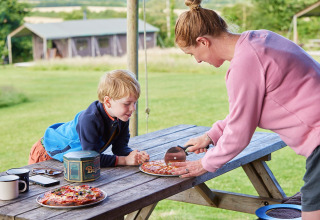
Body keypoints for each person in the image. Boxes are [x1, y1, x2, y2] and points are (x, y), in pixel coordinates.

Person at [170, 0, 320, 219]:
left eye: (192, 54)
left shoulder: (245, 64)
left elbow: (240, 133)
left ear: (203, 41)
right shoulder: (259, 39)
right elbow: (246, 111)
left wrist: (204, 164)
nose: (198, 61)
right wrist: (211, 135)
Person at [28, 69, 149, 167]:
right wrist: (125, 160)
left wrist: (134, 155)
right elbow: (91, 158)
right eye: (127, 103)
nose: (133, 108)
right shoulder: (90, 120)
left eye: (135, 103)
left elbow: (120, 148)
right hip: (48, 152)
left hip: (75, 158)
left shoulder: (121, 117)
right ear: (107, 101)